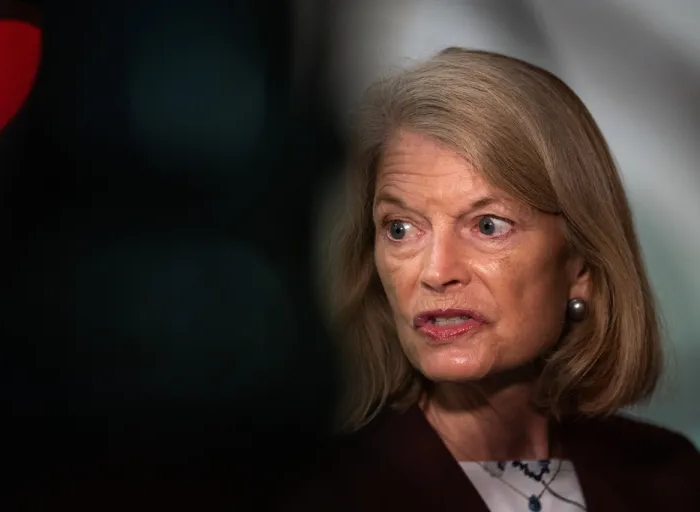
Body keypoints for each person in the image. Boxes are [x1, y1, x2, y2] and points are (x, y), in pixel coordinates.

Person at [284, 48, 700, 511]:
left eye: (487, 226)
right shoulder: (321, 493)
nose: (437, 272)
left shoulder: (668, 477)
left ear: (580, 265)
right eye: (401, 229)